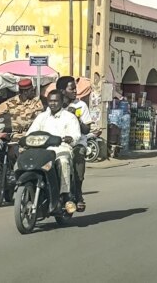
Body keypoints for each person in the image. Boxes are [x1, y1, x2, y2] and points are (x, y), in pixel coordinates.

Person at [27, 90, 81, 214]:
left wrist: (70, 138)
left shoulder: (69, 117)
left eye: (56, 101)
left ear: (62, 102)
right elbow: (31, 132)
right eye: (50, 101)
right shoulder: (42, 117)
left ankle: (65, 195)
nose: (53, 103)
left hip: (62, 149)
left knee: (63, 162)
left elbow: (76, 135)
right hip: (42, 150)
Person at [58, 76, 93, 212]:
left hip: (77, 142)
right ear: (62, 91)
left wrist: (77, 118)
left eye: (75, 88)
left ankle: (78, 192)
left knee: (78, 155)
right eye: (71, 88)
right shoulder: (55, 105)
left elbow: (86, 130)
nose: (75, 91)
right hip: (58, 143)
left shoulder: (80, 105)